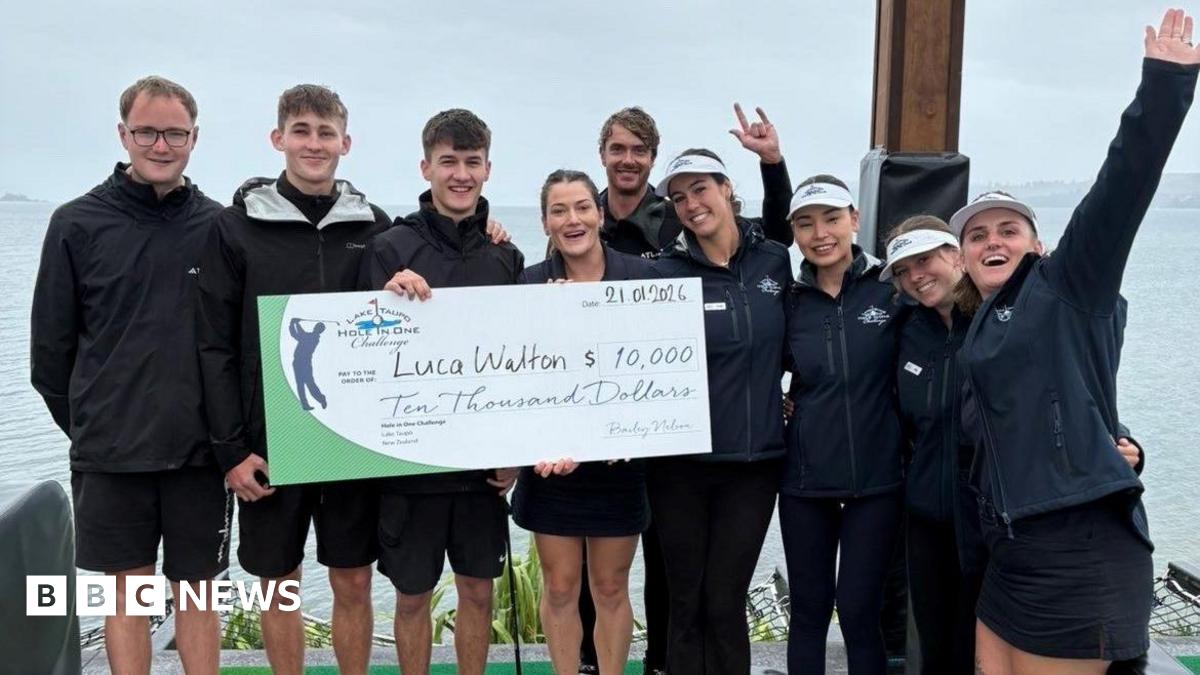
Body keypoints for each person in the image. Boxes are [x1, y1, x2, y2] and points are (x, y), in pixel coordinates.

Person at [954, 12, 1197, 673]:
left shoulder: (1069, 285)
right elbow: (1053, 404)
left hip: (1077, 550)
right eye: (977, 235)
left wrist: (1166, 84)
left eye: (1008, 229)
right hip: (1011, 554)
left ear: (1037, 243)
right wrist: (1115, 437)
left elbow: (1119, 191)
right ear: (964, 256)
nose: (993, 241)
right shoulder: (982, 323)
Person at [880, 216, 1148, 674]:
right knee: (935, 645)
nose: (915, 275)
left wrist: (1125, 444)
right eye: (903, 269)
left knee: (981, 647)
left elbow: (1066, 388)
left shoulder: (998, 322)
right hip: (926, 520)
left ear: (955, 258)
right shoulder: (904, 329)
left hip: (990, 520)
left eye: (924, 260)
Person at [30, 75, 229, 675]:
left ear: (194, 138)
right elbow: (50, 356)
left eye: (174, 133)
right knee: (127, 595)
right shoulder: (75, 224)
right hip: (112, 454)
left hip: (201, 454)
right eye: (147, 131)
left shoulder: (220, 226)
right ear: (124, 134)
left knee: (199, 593)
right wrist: (95, 426)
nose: (160, 145)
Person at [196, 84, 392, 675]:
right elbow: (215, 346)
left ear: (346, 143)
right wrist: (231, 451)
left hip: (351, 443)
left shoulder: (376, 226)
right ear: (278, 139)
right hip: (268, 445)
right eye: (301, 131)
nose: (314, 144)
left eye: (326, 132)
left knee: (353, 580)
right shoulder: (234, 228)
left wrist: (494, 232)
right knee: (278, 585)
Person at [358, 108, 524, 675]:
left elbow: (521, 365)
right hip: (409, 464)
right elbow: (361, 352)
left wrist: (515, 456)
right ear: (426, 166)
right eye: (448, 162)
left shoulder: (506, 255)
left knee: (478, 592)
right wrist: (384, 296)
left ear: (488, 169)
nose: (461, 175)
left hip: (482, 470)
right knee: (411, 598)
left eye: (472, 163)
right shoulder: (387, 248)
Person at [649, 148, 792, 675]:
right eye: (678, 197)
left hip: (753, 466)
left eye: (700, 189)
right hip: (678, 469)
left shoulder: (774, 259)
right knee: (686, 603)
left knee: (725, 602)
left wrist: (774, 163)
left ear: (726, 188)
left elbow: (801, 339)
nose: (690, 203)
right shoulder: (661, 274)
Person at [510, 169, 654, 675]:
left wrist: (632, 431)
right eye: (558, 210)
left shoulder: (640, 278)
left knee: (612, 588)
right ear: (546, 222)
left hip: (619, 467)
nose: (572, 220)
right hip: (553, 470)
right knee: (560, 587)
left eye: (581, 208)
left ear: (598, 212)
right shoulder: (527, 284)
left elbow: (661, 369)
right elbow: (515, 382)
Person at [778, 174, 906, 675]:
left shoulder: (892, 288)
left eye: (832, 219)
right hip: (805, 483)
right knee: (808, 612)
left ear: (854, 220)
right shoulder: (788, 301)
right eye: (806, 224)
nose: (821, 233)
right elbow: (750, 365)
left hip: (877, 483)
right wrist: (777, 403)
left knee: (857, 611)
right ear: (794, 233)